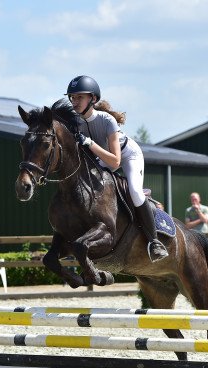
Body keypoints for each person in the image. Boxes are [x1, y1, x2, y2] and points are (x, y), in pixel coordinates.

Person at [66, 75, 168, 262]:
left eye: (79, 97)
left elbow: (114, 162)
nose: (74, 101)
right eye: (72, 97)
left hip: (127, 155)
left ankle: (154, 242)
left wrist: (89, 143)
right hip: (102, 157)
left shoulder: (106, 120)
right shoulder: (75, 122)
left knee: (135, 192)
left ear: (93, 99)